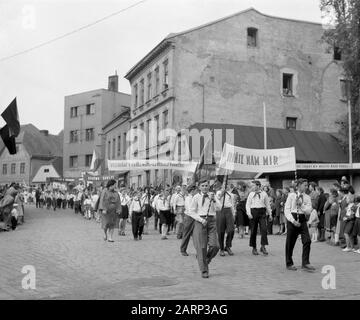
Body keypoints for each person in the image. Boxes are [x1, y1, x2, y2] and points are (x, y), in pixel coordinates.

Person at [189, 179, 219, 279]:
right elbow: (191, 211)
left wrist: (214, 200)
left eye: (206, 185)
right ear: (199, 187)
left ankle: (206, 259)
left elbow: (219, 208)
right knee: (202, 247)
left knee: (215, 246)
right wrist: (201, 220)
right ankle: (204, 270)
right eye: (203, 186)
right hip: (200, 221)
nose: (205, 187)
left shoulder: (212, 195)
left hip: (212, 221)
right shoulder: (196, 197)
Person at [284, 178, 315, 271]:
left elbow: (309, 211)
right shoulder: (291, 196)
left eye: (307, 185)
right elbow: (287, 209)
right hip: (293, 218)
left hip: (302, 219)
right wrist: (292, 221)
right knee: (290, 242)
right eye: (304, 185)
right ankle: (289, 263)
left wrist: (301, 205)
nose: (306, 187)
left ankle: (305, 262)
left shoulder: (307, 197)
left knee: (307, 240)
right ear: (298, 185)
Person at [245, 180, 272, 256]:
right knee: (253, 231)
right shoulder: (251, 194)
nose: (252, 187)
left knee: (264, 229)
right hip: (253, 212)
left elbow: (267, 205)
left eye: (253, 185)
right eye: (252, 186)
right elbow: (247, 204)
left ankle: (263, 246)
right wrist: (249, 213)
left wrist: (270, 214)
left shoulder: (264, 194)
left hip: (262, 212)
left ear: (258, 186)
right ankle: (254, 247)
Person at [215, 184, 236, 256]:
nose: (226, 187)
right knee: (221, 231)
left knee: (231, 230)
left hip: (228, 211)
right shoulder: (218, 193)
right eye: (224, 185)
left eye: (227, 185)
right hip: (220, 211)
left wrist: (233, 214)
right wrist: (222, 193)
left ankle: (228, 246)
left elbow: (232, 205)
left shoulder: (231, 195)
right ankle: (221, 248)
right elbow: (217, 199)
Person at [180, 185, 197, 256]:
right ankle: (183, 249)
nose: (197, 192)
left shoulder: (194, 197)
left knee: (196, 235)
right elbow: (190, 209)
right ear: (192, 191)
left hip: (195, 217)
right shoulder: (188, 198)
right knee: (186, 234)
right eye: (196, 190)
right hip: (189, 217)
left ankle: (198, 250)